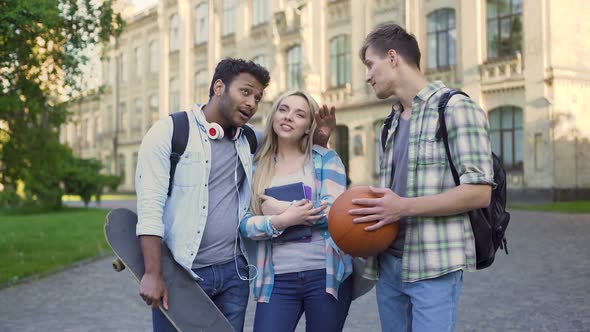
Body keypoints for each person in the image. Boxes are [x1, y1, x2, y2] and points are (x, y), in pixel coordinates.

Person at [134, 58, 336, 332]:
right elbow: (150, 207)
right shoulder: (170, 133)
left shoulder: (250, 139)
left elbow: (292, 141)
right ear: (219, 87)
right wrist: (152, 272)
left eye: (258, 97)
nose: (252, 103)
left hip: (234, 275)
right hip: (182, 274)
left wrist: (320, 140)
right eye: (245, 91)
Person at [351, 24, 494, 332]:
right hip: (388, 264)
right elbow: (393, 196)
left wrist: (402, 207)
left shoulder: (456, 108)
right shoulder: (389, 122)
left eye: (369, 64)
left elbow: (479, 192)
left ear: (392, 58)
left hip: (434, 264)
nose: (367, 75)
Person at [240, 90, 353, 332]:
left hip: (325, 275)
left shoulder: (326, 160)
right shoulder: (256, 167)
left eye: (299, 114)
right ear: (273, 117)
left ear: (308, 126)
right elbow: (245, 224)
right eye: (283, 109)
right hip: (276, 280)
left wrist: (282, 209)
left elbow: (334, 215)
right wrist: (280, 222)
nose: (289, 117)